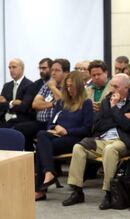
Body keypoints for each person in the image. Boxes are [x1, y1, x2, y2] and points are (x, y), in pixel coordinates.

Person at [62, 73, 130, 209]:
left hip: (122, 141)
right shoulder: (106, 100)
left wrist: (114, 109)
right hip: (103, 138)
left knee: (110, 150)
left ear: (127, 88)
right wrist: (120, 118)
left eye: (116, 87)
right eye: (112, 86)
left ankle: (108, 193)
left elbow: (127, 127)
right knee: (78, 147)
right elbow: (97, 124)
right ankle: (77, 190)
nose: (113, 90)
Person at [34, 71, 93, 201]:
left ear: (79, 86)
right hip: (57, 135)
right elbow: (50, 123)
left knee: (41, 148)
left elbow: (87, 129)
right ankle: (49, 172)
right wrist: (55, 128)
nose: (69, 89)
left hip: (74, 138)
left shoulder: (86, 103)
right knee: (42, 134)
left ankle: (40, 189)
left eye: (72, 86)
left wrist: (67, 131)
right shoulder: (61, 102)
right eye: (67, 86)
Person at [14, 58, 70, 151]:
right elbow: (35, 104)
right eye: (52, 70)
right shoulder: (46, 85)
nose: (53, 73)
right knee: (19, 129)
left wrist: (52, 87)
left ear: (66, 73)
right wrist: (53, 104)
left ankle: (34, 158)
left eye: (57, 70)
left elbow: (63, 103)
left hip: (56, 124)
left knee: (39, 135)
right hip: (41, 122)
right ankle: (30, 156)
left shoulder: (68, 86)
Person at [0, 58, 34, 128]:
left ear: (22, 68)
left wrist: (6, 103)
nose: (11, 70)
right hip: (5, 119)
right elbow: (0, 106)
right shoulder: (6, 86)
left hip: (20, 120)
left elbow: (24, 107)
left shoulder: (30, 85)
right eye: (9, 68)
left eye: (14, 67)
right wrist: (12, 103)